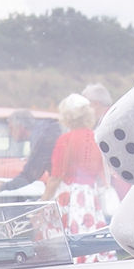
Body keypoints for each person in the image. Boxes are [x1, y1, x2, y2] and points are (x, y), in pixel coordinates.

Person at [44, 93, 107, 236]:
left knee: (66, 235)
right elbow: (101, 172)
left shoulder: (66, 140)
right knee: (90, 230)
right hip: (91, 195)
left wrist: (44, 200)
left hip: (69, 195)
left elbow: (56, 176)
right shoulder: (97, 138)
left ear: (67, 117)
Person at [0, 109, 60, 192]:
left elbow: (30, 174)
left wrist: (3, 187)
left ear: (21, 127)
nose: (10, 133)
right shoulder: (43, 132)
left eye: (11, 128)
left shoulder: (41, 139)